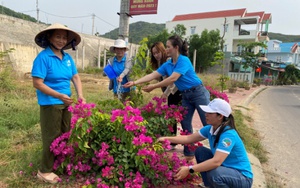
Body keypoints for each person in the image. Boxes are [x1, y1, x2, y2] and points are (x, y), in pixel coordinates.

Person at [123, 35, 210, 160]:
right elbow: (153, 74)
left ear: (176, 48)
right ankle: (189, 155)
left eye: (168, 47)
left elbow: (173, 78)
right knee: (185, 125)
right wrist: (135, 82)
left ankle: (219, 152)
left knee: (209, 123)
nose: (166, 49)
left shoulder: (183, 60)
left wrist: (154, 86)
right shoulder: (168, 64)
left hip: (198, 93)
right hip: (186, 95)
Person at [31, 23, 85, 184]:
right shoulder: (43, 58)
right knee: (51, 136)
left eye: (64, 37)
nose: (61, 40)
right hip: (51, 103)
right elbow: (37, 83)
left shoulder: (67, 58)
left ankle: (58, 162)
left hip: (65, 101)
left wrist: (80, 95)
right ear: (49, 37)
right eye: (58, 36)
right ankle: (44, 171)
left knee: (65, 133)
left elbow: (75, 77)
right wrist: (59, 95)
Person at [158, 98, 253, 188]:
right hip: (226, 169)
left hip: (242, 177)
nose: (206, 114)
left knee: (215, 174)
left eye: (210, 112)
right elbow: (188, 138)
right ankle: (209, 185)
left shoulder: (228, 135)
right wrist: (166, 138)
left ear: (220, 116)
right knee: (200, 151)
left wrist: (189, 169)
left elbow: (216, 162)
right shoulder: (210, 128)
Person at [150, 41, 182, 149]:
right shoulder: (160, 64)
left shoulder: (169, 61)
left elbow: (172, 81)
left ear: (163, 51)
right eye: (154, 53)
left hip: (175, 92)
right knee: (170, 116)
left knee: (174, 116)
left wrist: (166, 93)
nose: (156, 55)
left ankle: (174, 143)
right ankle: (171, 141)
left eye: (157, 52)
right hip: (169, 92)